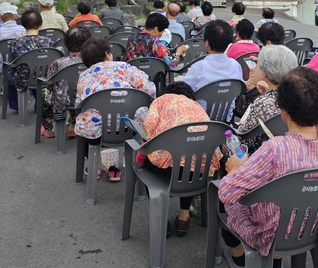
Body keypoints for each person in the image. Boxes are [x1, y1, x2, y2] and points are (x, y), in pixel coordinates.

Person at [219, 68, 318, 268]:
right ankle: (276, 259)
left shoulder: (276, 148)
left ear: (283, 110)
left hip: (269, 233)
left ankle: (239, 253)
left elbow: (227, 192)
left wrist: (235, 169)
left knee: (227, 198)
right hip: (316, 225)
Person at [139, 82, 220, 237]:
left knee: (151, 161)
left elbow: (148, 128)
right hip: (199, 172)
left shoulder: (161, 101)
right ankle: (184, 216)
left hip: (165, 170)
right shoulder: (197, 106)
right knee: (189, 162)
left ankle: (161, 219)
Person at [74, 38, 157, 181]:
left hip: (98, 129)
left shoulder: (84, 75)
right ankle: (137, 163)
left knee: (84, 121)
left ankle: (95, 166)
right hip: (130, 123)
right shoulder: (124, 67)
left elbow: (79, 104)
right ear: (107, 54)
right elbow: (150, 89)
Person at [236, 45, 298, 154]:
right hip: (291, 150)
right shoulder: (298, 95)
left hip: (261, 155)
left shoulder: (263, 102)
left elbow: (242, 135)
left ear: (264, 72)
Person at [40, 25, 91, 138]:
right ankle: (73, 125)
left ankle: (50, 128)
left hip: (62, 99)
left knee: (45, 90)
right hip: (85, 98)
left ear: (66, 44)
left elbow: (50, 81)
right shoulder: (93, 61)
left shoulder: (58, 62)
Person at [5, 9, 53, 111]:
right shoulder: (48, 41)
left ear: (23, 24)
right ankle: (39, 104)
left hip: (22, 78)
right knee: (38, 70)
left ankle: (16, 105)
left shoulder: (16, 43)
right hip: (44, 77)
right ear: (40, 24)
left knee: (9, 74)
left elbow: (12, 62)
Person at [184, 20, 243, 91]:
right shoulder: (236, 65)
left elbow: (183, 93)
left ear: (207, 43)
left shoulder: (198, 68)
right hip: (229, 102)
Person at [245, 22, 285, 91]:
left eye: (263, 44)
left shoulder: (264, 66)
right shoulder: (288, 60)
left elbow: (250, 86)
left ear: (269, 43)